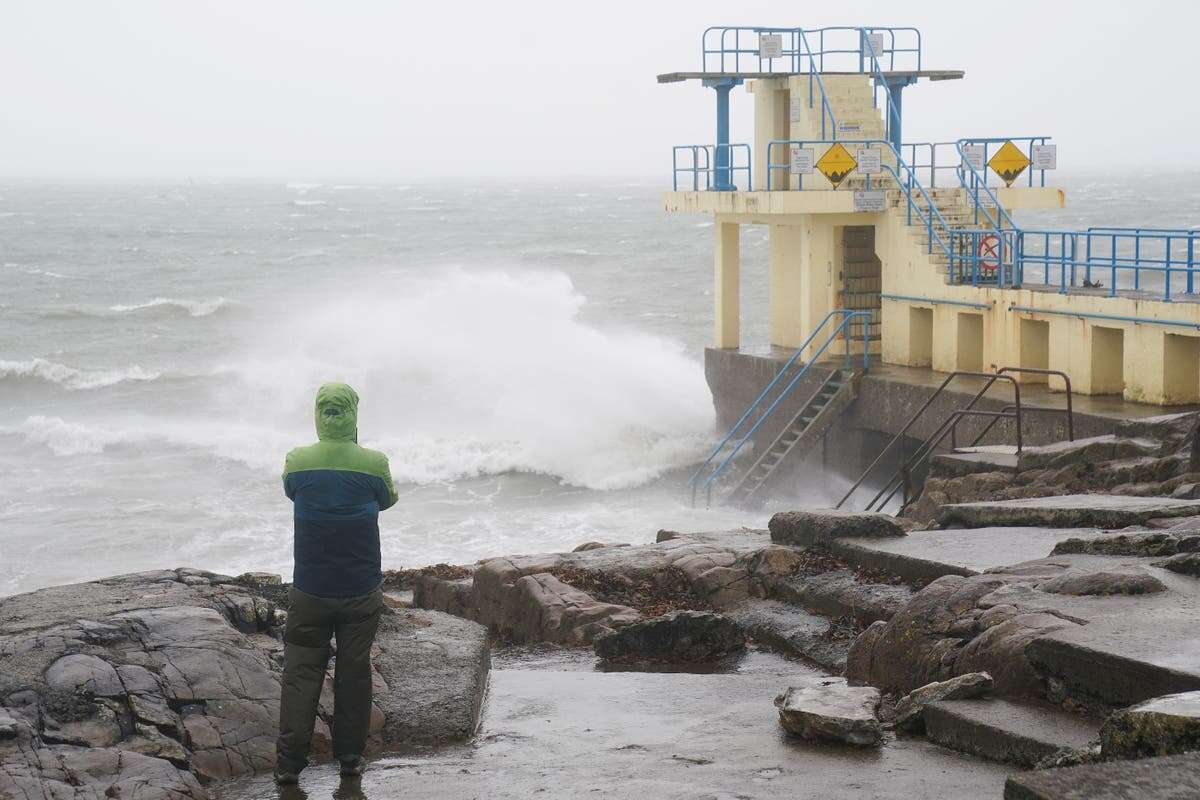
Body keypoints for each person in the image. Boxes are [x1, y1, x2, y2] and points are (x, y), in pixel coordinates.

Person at [275, 383, 398, 784]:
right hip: (361, 589)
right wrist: (355, 450)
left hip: (310, 588)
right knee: (354, 672)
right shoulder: (374, 462)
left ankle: (289, 766)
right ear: (353, 413)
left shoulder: (297, 461)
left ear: (318, 413)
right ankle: (349, 758)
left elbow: (293, 492)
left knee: (300, 674)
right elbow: (387, 499)